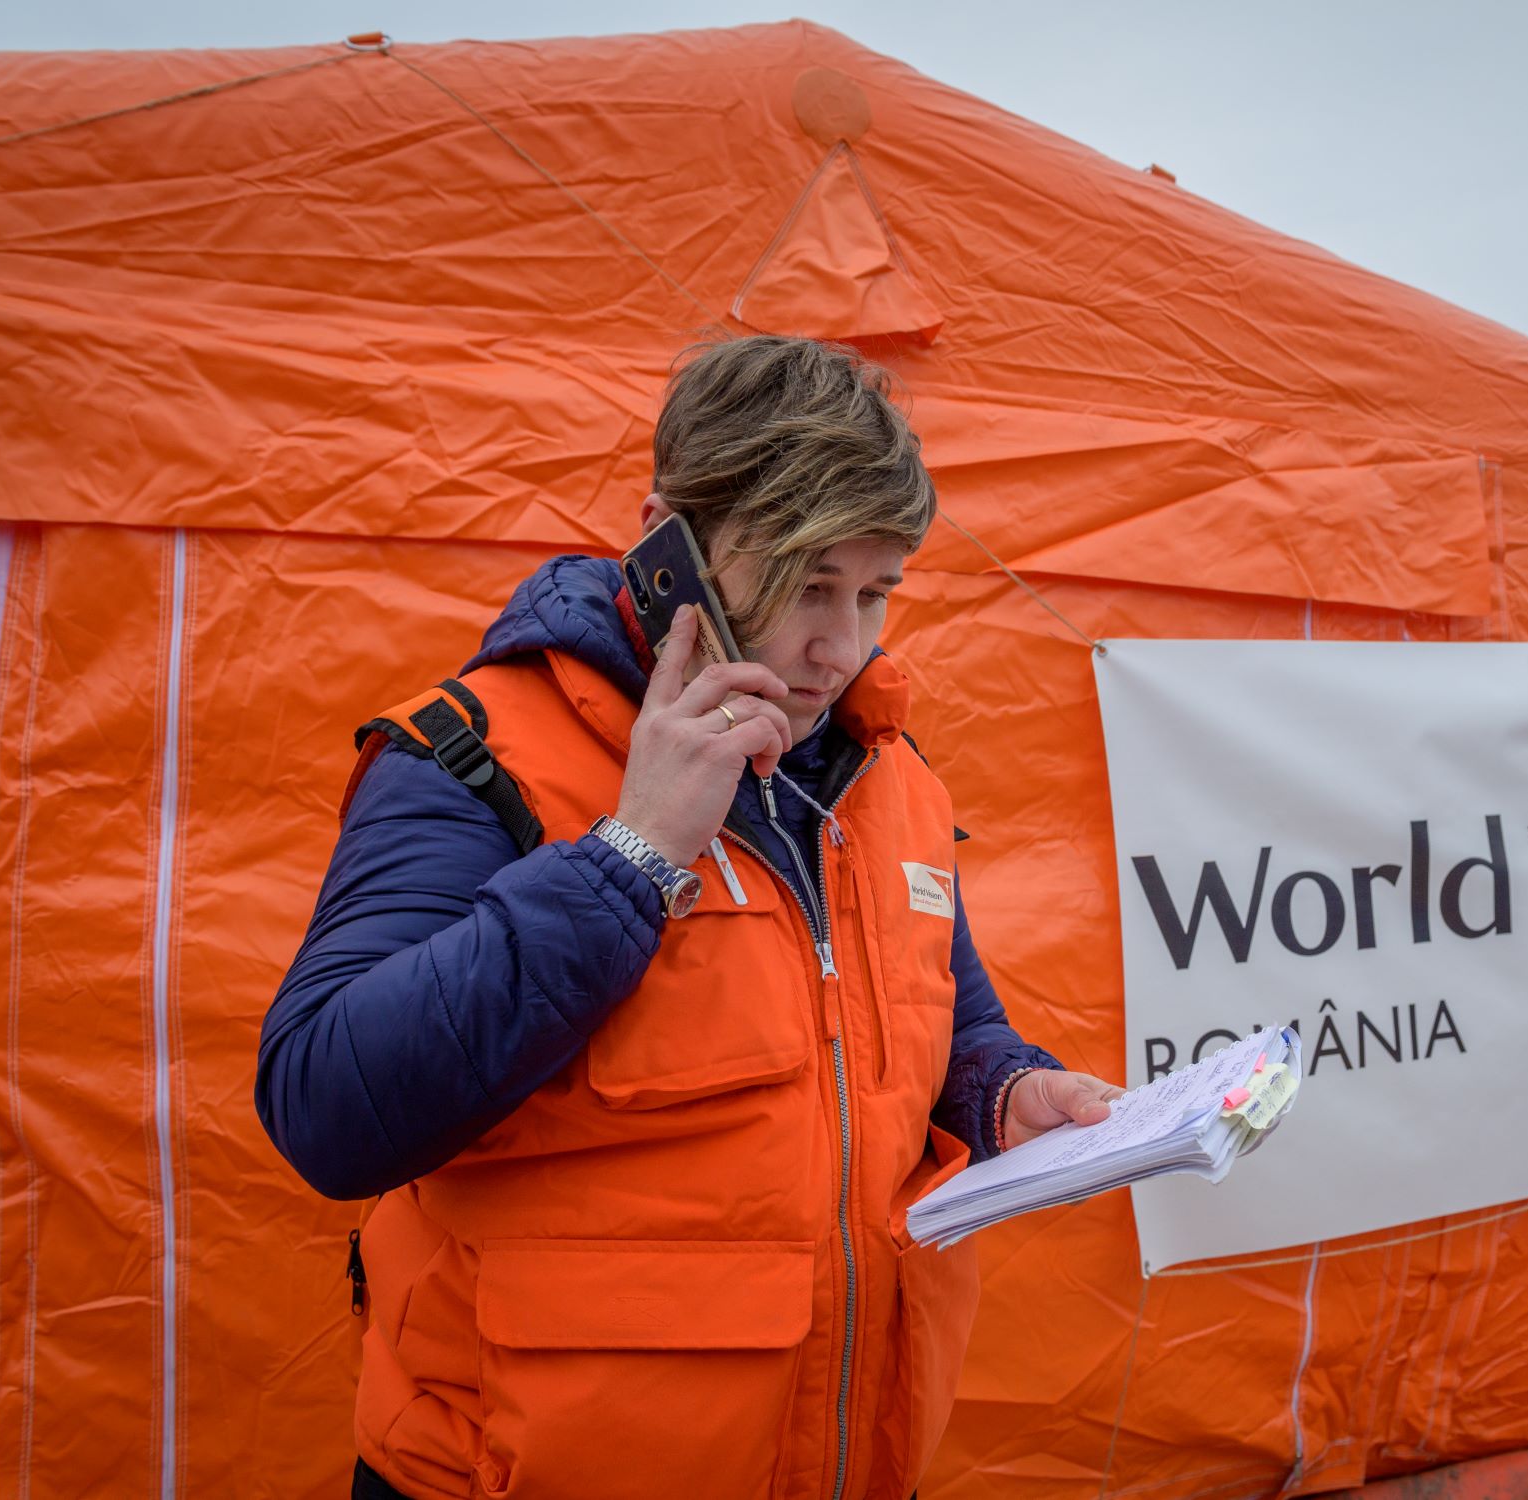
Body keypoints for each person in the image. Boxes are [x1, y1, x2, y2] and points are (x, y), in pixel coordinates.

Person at [256, 335, 1123, 1500]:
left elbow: (946, 1030)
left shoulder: (886, 770)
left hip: (848, 1460)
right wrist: (636, 852)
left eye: (875, 593)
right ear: (670, 536)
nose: (841, 646)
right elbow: (325, 1108)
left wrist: (1009, 1092)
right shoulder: (471, 755)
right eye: (807, 584)